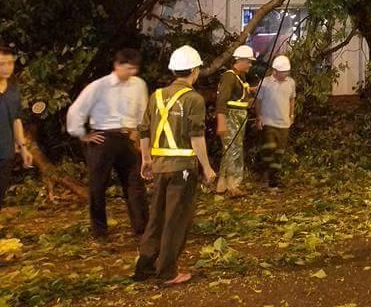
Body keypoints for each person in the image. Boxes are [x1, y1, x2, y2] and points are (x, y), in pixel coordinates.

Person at [134, 45, 216, 285]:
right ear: (195, 71)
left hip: (159, 167)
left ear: (173, 70)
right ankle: (168, 271)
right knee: (175, 220)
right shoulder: (194, 99)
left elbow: (143, 130)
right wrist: (207, 168)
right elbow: (196, 136)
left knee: (156, 218)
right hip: (182, 169)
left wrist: (146, 159)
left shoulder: (156, 96)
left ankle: (145, 266)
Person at [66, 48, 149, 239]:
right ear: (117, 66)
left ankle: (142, 227)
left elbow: (143, 111)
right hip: (103, 138)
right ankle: (100, 230)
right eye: (128, 69)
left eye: (135, 69)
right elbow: (76, 110)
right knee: (98, 186)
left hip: (127, 137)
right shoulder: (99, 86)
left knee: (135, 183)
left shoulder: (138, 85)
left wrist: (139, 133)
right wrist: (82, 134)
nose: (132, 73)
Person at [215, 45, 253, 196]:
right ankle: (233, 184)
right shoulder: (229, 76)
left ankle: (222, 185)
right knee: (233, 149)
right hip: (232, 116)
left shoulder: (239, 77)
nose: (250, 65)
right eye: (249, 62)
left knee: (231, 149)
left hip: (239, 116)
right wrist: (222, 121)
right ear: (240, 60)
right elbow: (222, 100)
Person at [0, 44, 33, 209]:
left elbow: (16, 120)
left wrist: (23, 147)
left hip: (5, 152)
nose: (7, 68)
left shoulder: (14, 92)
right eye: (1, 64)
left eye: (10, 63)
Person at [255, 55, 296, 189]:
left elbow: (292, 99)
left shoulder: (291, 83)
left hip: (284, 123)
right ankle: (266, 176)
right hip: (269, 121)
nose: (286, 74)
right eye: (283, 72)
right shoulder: (265, 83)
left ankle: (274, 179)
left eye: (287, 72)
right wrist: (259, 116)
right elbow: (258, 101)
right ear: (275, 71)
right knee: (269, 149)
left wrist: (291, 114)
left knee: (279, 152)